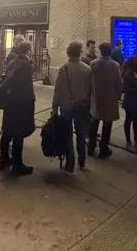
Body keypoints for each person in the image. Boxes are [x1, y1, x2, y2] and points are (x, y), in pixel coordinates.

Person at [52, 41, 94, 174]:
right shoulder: (87, 69)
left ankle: (70, 165)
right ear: (80, 52)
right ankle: (82, 161)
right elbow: (91, 90)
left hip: (65, 106)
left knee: (68, 135)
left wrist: (54, 107)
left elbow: (57, 90)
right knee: (81, 135)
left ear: (68, 53)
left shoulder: (63, 69)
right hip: (82, 106)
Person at [0, 41, 35, 176]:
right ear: (27, 50)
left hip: (10, 103)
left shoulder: (13, 62)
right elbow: (25, 88)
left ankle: (3, 160)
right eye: (30, 49)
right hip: (20, 104)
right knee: (18, 134)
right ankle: (17, 164)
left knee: (7, 132)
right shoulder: (26, 65)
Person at [88, 42, 121, 159]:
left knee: (94, 123)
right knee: (107, 125)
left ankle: (90, 148)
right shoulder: (115, 65)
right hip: (110, 98)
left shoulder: (93, 63)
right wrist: (117, 95)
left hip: (96, 97)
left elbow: (89, 80)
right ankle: (103, 148)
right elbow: (119, 83)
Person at [122, 56, 137, 151]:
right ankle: (128, 142)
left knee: (136, 120)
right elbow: (125, 88)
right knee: (128, 120)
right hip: (130, 101)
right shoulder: (128, 73)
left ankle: (136, 141)